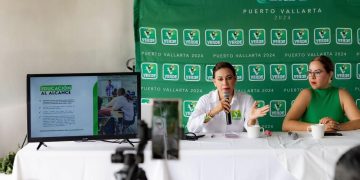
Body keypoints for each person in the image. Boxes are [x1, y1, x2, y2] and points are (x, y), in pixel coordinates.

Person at [187, 61, 270, 133]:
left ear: (235, 79)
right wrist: (213, 112)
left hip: (237, 145)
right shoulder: (205, 100)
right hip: (211, 145)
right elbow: (191, 128)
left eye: (229, 78)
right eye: (220, 79)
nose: (225, 83)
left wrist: (252, 119)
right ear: (214, 82)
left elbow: (252, 130)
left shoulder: (246, 99)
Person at [282, 55, 360, 132]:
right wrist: (319, 128)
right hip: (310, 143)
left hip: (337, 143)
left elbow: (358, 121)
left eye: (317, 72)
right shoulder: (306, 94)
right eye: (310, 72)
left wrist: (337, 126)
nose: (312, 76)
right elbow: (286, 125)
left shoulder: (342, 94)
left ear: (330, 74)